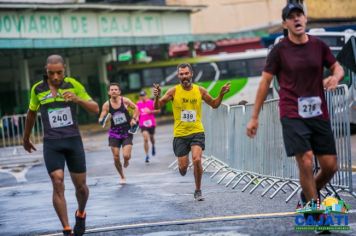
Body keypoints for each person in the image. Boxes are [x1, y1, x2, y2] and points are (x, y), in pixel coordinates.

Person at [246, 2, 344, 217]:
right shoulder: (279, 51)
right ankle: (316, 212)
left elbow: (337, 67)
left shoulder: (318, 46)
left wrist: (335, 77)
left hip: (318, 112)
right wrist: (254, 117)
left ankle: (309, 193)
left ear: (305, 19)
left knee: (330, 166)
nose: (297, 19)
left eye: (300, 15)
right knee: (306, 159)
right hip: (292, 113)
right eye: (292, 17)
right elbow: (265, 83)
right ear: (285, 23)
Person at [23, 55, 99, 236]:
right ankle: (66, 229)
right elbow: (31, 114)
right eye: (51, 73)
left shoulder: (73, 85)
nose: (56, 77)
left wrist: (77, 99)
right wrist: (26, 138)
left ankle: (80, 213)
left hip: (73, 140)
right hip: (52, 143)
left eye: (59, 73)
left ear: (64, 69)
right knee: (57, 181)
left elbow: (95, 108)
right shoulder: (38, 89)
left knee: (81, 187)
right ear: (46, 71)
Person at [153, 63, 230, 201]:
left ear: (191, 74)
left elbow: (214, 104)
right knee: (183, 169)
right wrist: (157, 96)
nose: (184, 76)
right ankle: (184, 166)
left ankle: (198, 190)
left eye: (186, 73)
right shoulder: (173, 91)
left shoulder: (200, 90)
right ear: (178, 76)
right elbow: (157, 107)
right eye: (181, 74)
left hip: (196, 131)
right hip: (180, 134)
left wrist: (221, 94)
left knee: (197, 159)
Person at [98, 83, 139, 184]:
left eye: (116, 89)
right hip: (114, 133)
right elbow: (100, 118)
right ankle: (122, 176)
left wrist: (134, 119)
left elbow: (136, 108)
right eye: (112, 90)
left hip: (127, 131)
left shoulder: (125, 101)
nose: (114, 91)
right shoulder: (106, 105)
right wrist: (103, 120)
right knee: (116, 156)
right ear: (108, 92)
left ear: (119, 92)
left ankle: (126, 160)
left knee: (126, 155)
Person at [136, 90, 160, 163]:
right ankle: (147, 155)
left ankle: (153, 145)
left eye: (144, 95)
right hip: (142, 124)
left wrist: (150, 111)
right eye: (141, 96)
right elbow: (137, 113)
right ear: (140, 97)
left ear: (146, 96)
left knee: (152, 137)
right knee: (145, 139)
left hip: (151, 123)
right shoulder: (138, 104)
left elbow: (158, 110)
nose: (142, 97)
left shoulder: (151, 102)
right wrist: (136, 117)